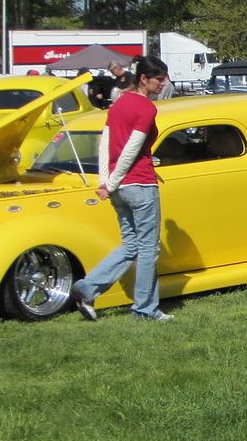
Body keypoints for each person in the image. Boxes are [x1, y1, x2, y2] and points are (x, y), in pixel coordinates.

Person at [72, 55, 173, 322]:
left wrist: (105, 180)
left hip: (120, 186)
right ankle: (145, 309)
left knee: (131, 245)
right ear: (143, 79)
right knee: (148, 249)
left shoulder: (118, 103)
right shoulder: (147, 108)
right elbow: (132, 149)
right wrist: (110, 182)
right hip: (139, 184)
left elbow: (105, 142)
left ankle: (86, 288)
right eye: (159, 79)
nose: (163, 83)